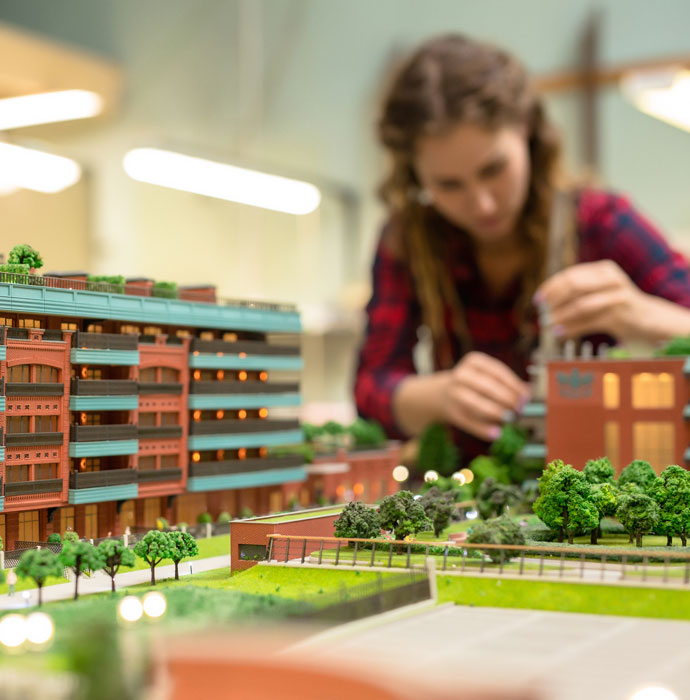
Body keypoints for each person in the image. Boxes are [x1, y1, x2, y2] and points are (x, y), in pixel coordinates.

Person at [354, 33, 690, 465]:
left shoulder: (601, 222)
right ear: (416, 176)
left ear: (526, 130)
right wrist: (438, 395)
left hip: (596, 470)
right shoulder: (408, 242)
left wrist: (641, 314)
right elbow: (370, 385)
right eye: (448, 185)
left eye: (494, 169)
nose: (482, 204)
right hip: (473, 476)